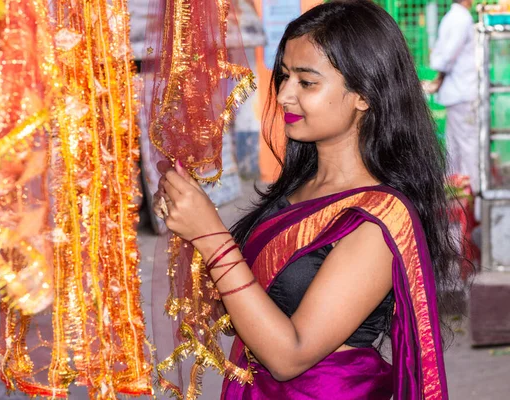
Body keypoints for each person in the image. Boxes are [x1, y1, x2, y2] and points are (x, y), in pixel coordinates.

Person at [154, 1, 461, 398]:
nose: (283, 95)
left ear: (363, 94)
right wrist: (190, 227)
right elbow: (248, 312)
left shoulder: (379, 218)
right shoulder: (296, 191)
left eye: (306, 82)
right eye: (283, 77)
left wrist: (212, 237)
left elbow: (289, 355)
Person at [427, 0, 478, 193]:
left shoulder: (453, 17)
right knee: (466, 148)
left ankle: (462, 196)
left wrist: (438, 80)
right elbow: (448, 57)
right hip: (462, 93)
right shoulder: (461, 18)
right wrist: (439, 78)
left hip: (458, 92)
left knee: (456, 147)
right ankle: (471, 198)